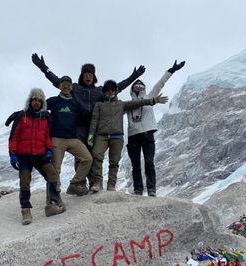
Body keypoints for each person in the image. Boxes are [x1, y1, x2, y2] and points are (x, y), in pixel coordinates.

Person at [31, 53, 145, 187]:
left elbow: (119, 86)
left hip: (95, 126)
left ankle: (93, 182)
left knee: (91, 155)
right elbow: (57, 81)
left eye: (91, 74)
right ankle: (80, 183)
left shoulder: (100, 91)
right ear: (82, 76)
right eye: (86, 74)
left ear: (94, 76)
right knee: (79, 155)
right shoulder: (75, 88)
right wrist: (43, 67)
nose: (88, 76)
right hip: (78, 125)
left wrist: (134, 76)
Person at [88, 80, 168, 192]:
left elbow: (137, 103)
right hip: (103, 134)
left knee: (115, 160)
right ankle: (98, 181)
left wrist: (151, 101)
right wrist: (91, 133)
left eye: (112, 89)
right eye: (108, 90)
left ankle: (112, 183)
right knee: (97, 154)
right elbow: (95, 118)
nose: (110, 91)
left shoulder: (121, 104)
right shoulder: (99, 104)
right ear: (104, 91)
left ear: (115, 91)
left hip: (118, 135)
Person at [126, 59, 186, 197]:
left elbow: (160, 84)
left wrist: (171, 71)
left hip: (147, 134)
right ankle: (138, 189)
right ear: (132, 89)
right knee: (135, 164)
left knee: (149, 162)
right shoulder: (128, 104)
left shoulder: (150, 97)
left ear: (144, 89)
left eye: (141, 87)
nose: (139, 89)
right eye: (136, 87)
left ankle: (151, 189)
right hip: (133, 135)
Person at [8, 88, 64, 225]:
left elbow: (47, 137)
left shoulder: (45, 118)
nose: (36, 103)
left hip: (40, 155)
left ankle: (51, 205)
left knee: (52, 175)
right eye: (34, 100)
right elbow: (14, 136)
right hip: (24, 156)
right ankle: (25, 210)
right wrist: (13, 154)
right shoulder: (22, 116)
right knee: (25, 182)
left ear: (42, 102)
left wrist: (49, 150)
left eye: (39, 100)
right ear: (30, 101)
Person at [46, 75, 93, 196]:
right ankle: (54, 197)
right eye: (63, 85)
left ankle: (74, 184)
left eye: (68, 85)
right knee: (55, 169)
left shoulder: (75, 103)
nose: (66, 87)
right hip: (57, 138)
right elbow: (37, 108)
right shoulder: (53, 101)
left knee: (87, 159)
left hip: (73, 138)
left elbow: (87, 115)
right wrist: (20, 113)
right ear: (59, 87)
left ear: (71, 87)